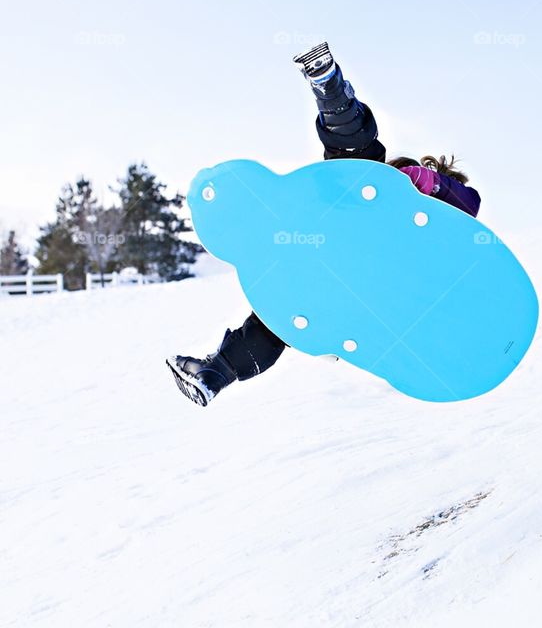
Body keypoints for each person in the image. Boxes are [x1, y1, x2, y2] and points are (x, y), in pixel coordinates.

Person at [166, 42, 482, 407]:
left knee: (360, 158)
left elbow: (468, 206)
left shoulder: (438, 209)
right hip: (351, 279)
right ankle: (216, 372)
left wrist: (427, 182)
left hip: (386, 284)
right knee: (282, 309)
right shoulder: (372, 202)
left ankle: (332, 91)